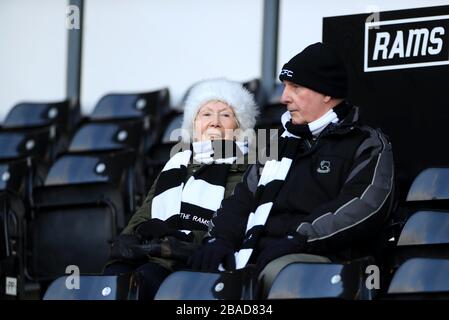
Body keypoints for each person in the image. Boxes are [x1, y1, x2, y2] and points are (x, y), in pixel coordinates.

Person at [189, 42, 395, 297]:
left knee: (277, 275)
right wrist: (220, 239)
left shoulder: (367, 142)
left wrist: (298, 239)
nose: (284, 97)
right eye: (285, 87)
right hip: (259, 252)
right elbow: (242, 200)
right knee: (197, 278)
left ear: (326, 93)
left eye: (295, 87)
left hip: (326, 258)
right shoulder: (277, 142)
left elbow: (364, 206)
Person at [103, 78, 259, 299]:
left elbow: (229, 223)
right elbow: (144, 213)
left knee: (144, 280)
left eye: (225, 115)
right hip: (152, 254)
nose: (214, 122)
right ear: (194, 125)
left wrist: (173, 238)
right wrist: (134, 235)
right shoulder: (176, 163)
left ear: (239, 128)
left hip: (195, 261)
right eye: (206, 114)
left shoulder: (246, 167)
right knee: (111, 279)